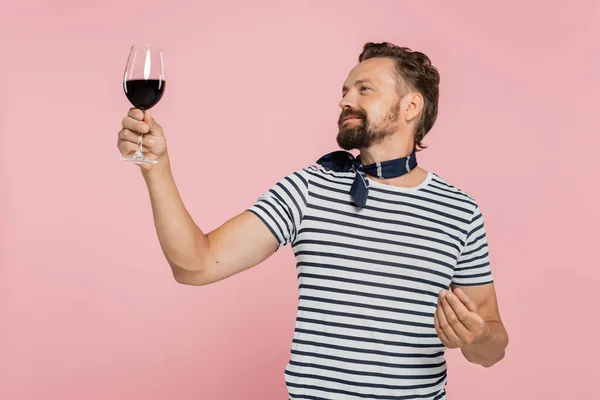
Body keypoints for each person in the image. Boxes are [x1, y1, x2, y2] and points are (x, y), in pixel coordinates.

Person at [117, 42, 509, 400]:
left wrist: (477, 338)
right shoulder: (309, 188)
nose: (345, 101)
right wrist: (155, 167)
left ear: (411, 107)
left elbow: (493, 346)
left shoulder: (459, 210)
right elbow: (195, 265)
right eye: (344, 91)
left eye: (364, 89)